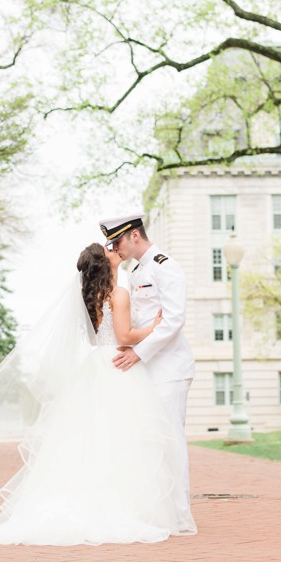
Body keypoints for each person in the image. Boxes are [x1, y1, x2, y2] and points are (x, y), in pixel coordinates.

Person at [0, 243, 197, 546]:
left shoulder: (87, 297)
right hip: (116, 366)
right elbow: (124, 337)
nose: (115, 249)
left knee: (91, 437)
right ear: (106, 264)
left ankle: (99, 498)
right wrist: (154, 327)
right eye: (110, 251)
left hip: (93, 367)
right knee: (121, 437)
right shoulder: (118, 294)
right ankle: (126, 505)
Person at [101, 213, 195, 513]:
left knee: (171, 442)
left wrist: (138, 352)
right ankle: (160, 510)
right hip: (148, 369)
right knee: (152, 441)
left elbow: (173, 321)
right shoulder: (139, 270)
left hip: (169, 367)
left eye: (117, 241)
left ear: (134, 236)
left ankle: (179, 514)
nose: (116, 248)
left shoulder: (166, 267)